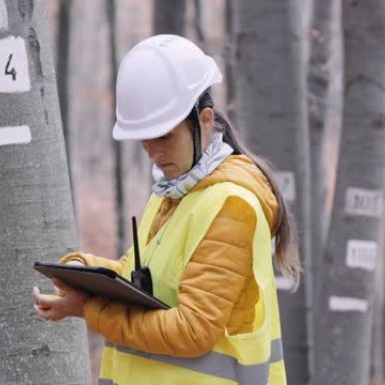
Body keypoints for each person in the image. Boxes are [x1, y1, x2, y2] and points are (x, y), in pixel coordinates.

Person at [33, 34, 300, 385]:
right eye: (145, 138)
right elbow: (145, 280)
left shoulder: (232, 206)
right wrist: (85, 270)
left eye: (164, 135)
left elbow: (192, 331)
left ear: (204, 120)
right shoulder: (172, 191)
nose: (154, 151)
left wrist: (89, 309)